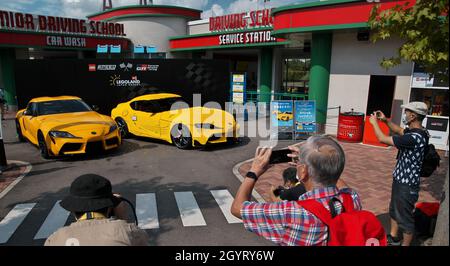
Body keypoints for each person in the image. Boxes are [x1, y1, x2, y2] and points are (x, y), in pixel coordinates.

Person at [231, 135, 362, 246]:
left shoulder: (291, 212)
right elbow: (339, 181)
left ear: (303, 172)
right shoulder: (352, 199)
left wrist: (254, 171)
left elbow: (237, 208)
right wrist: (312, 163)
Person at [369, 102, 429, 246]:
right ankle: (394, 238)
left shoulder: (414, 138)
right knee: (394, 209)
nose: (405, 114)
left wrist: (374, 123)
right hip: (400, 180)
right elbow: (400, 130)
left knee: (405, 218)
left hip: (407, 185)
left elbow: (382, 139)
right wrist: (385, 121)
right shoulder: (419, 132)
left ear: (413, 116)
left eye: (407, 112)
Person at [45, 174, 149, 246]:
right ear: (110, 208)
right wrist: (122, 217)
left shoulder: (55, 239)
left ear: (73, 210)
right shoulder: (128, 232)